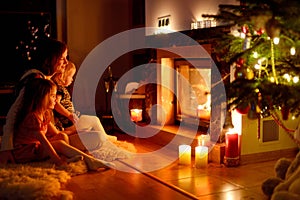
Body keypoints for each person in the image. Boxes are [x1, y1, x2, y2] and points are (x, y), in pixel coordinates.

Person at [13, 78, 115, 170]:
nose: (56, 100)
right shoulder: (32, 118)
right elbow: (44, 142)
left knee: (61, 136)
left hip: (36, 147)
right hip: (25, 152)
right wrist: (58, 161)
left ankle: (66, 157)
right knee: (59, 144)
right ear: (42, 98)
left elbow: (57, 133)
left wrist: (79, 132)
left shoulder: (44, 114)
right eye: (53, 96)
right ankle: (90, 161)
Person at [1, 38, 68, 153]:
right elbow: (14, 112)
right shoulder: (35, 80)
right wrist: (6, 148)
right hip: (27, 139)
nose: (66, 63)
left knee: (71, 138)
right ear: (49, 59)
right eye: (62, 58)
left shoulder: (47, 79)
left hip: (42, 133)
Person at [51, 61, 113, 151]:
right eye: (71, 77)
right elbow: (56, 104)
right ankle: (106, 138)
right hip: (69, 123)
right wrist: (69, 115)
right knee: (94, 120)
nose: (72, 80)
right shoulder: (59, 89)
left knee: (93, 121)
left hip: (71, 121)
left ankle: (105, 137)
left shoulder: (61, 89)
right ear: (61, 77)